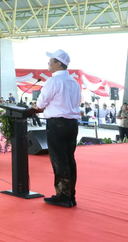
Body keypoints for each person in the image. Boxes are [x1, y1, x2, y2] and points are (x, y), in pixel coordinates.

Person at [36, 49, 81, 208]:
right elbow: (76, 102)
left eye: (51, 61)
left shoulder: (53, 82)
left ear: (59, 64)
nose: (48, 63)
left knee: (59, 159)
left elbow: (41, 103)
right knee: (69, 158)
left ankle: (62, 195)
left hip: (57, 123)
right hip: (72, 123)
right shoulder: (74, 82)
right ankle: (70, 195)